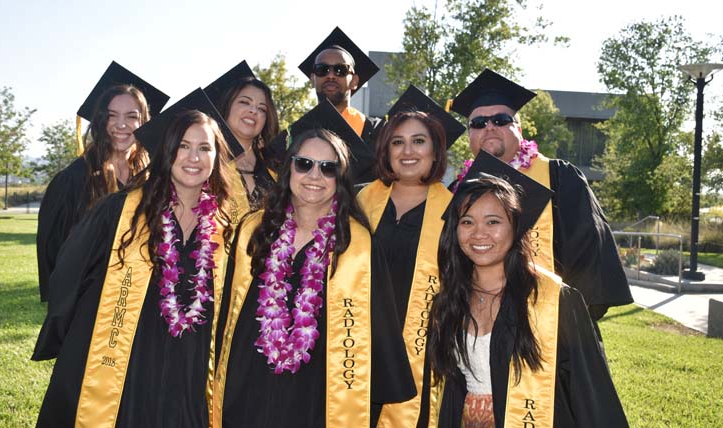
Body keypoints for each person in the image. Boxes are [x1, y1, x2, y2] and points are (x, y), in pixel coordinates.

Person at [32, 90, 239, 428]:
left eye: (205, 148)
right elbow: (69, 272)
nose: (193, 157)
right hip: (129, 364)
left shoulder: (227, 229)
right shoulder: (122, 211)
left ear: (217, 157)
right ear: (167, 151)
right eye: (183, 146)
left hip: (192, 371)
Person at [213, 117, 415, 427]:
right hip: (248, 390)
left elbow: (379, 335)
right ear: (288, 168)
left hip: (318, 399)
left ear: (341, 178)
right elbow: (227, 314)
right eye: (304, 163)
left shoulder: (356, 244)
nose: (314, 175)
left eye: (328, 168)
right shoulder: (253, 230)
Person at [430, 151, 628, 427]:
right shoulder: (449, 300)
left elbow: (590, 392)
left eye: (493, 221)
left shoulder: (554, 300)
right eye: (467, 222)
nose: (479, 233)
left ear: (516, 227)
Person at [450, 68, 632, 321]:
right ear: (469, 135)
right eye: (478, 123)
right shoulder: (457, 191)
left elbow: (589, 255)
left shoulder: (560, 177)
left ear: (519, 128)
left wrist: (569, 322)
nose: (489, 127)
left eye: (501, 120)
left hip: (553, 327)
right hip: (475, 326)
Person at [357, 85, 464, 427]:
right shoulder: (359, 203)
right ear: (385, 151)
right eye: (397, 141)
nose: (408, 151)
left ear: (435, 151)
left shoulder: (456, 212)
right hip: (356, 345)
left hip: (421, 351)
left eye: (419, 141)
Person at [36, 61, 169, 302]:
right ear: (100, 121)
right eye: (112, 116)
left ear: (144, 122)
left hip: (138, 301)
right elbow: (54, 254)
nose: (121, 124)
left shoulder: (151, 177)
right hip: (86, 304)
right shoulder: (74, 180)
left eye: (132, 116)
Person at [204, 60, 280, 216]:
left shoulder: (276, 166)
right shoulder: (206, 161)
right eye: (245, 102)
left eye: (262, 108)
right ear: (226, 106)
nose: (253, 110)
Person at [299, 26, 382, 145]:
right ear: (312, 79)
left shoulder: (376, 131)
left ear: (354, 81)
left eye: (340, 70)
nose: (331, 76)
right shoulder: (296, 134)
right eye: (322, 69)